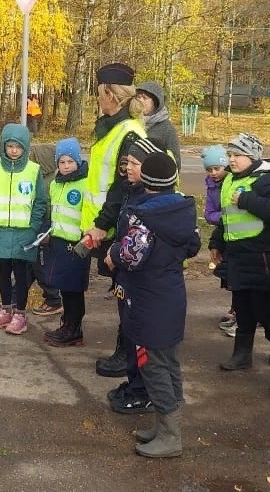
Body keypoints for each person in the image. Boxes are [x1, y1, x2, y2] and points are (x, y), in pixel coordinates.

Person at [106, 151, 200, 458]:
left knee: (153, 365)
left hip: (148, 298)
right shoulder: (184, 208)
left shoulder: (144, 216)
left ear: (146, 179)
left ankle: (171, 436)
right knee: (169, 361)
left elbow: (131, 256)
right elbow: (193, 246)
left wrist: (113, 253)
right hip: (172, 294)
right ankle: (166, 425)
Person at [80, 62, 147, 379]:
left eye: (98, 93)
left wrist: (101, 224)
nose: (96, 98)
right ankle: (127, 352)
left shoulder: (128, 133)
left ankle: (128, 355)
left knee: (127, 293)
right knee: (121, 289)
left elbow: (122, 187)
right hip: (110, 224)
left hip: (118, 225)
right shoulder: (112, 127)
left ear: (111, 95)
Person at [211, 132, 270, 371]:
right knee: (242, 308)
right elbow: (227, 217)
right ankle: (242, 354)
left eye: (237, 155)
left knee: (263, 309)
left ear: (253, 156)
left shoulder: (267, 179)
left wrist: (247, 200)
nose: (231, 159)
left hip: (261, 256)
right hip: (237, 255)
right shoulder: (229, 179)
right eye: (230, 154)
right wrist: (216, 243)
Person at [0, 123, 47, 335]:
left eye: (18, 147)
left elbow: (40, 202)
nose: (14, 150)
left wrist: (34, 226)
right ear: (3, 146)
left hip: (23, 233)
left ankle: (20, 313)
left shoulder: (33, 170)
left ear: (25, 147)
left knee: (21, 274)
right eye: (10, 146)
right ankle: (5, 310)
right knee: (3, 272)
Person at [41, 138, 92, 347]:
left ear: (78, 161)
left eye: (70, 161)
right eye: (62, 162)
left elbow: (90, 213)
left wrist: (87, 238)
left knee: (74, 289)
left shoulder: (86, 183)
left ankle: (74, 328)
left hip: (77, 245)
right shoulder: (55, 184)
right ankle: (67, 324)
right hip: (59, 243)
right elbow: (54, 211)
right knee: (64, 287)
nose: (66, 166)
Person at [26, 142, 65, 317]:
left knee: (40, 266)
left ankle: (53, 300)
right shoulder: (42, 179)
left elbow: (47, 207)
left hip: (44, 228)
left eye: (33, 157)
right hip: (38, 226)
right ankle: (14, 297)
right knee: (30, 265)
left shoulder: (48, 182)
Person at [201, 144, 236, 335]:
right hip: (224, 233)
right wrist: (225, 217)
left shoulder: (233, 182)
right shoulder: (211, 185)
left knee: (236, 275)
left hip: (236, 234)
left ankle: (239, 311)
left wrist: (228, 216)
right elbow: (209, 213)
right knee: (228, 274)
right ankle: (236, 308)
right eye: (209, 169)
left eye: (217, 168)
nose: (213, 173)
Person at [135, 82, 181, 168]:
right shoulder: (131, 123)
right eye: (138, 97)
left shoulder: (167, 129)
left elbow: (175, 163)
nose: (140, 100)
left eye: (145, 98)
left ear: (156, 102)